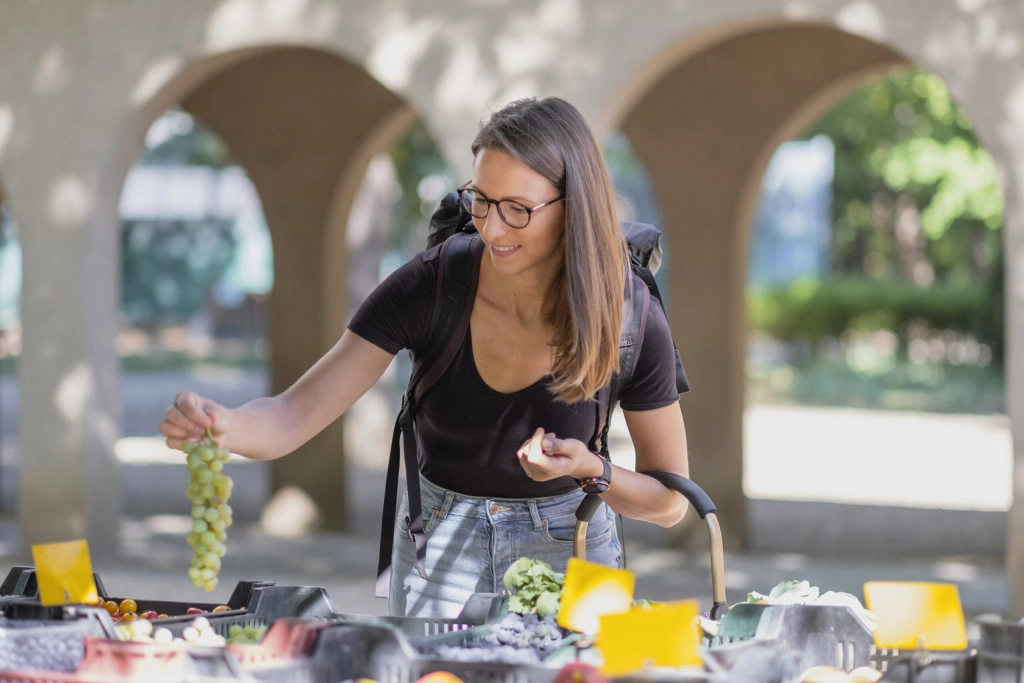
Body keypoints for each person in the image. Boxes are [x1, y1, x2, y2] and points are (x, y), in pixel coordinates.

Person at [159, 97, 691, 619]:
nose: (493, 228)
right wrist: (222, 425)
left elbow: (671, 502)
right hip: (438, 544)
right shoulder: (433, 285)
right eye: (480, 199)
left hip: (573, 542)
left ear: (573, 207)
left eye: (518, 209)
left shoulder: (626, 313)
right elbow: (294, 415)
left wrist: (590, 471)